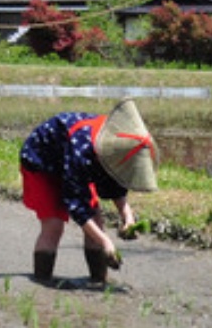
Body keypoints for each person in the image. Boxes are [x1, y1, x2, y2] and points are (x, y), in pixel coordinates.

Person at [19, 100, 157, 285]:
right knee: (53, 226)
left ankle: (98, 281)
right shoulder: (83, 150)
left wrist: (128, 217)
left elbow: (113, 185)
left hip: (73, 163)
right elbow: (77, 207)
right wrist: (106, 242)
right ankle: (43, 282)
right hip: (41, 162)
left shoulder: (115, 145)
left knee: (97, 223)